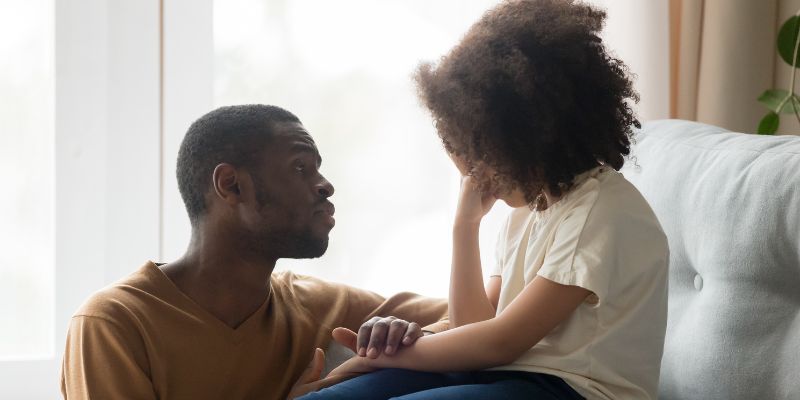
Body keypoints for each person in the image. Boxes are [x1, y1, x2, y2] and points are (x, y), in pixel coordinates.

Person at [299, 0, 669, 399]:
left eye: (479, 159)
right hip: (502, 375)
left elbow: (499, 342)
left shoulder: (600, 210)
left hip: (574, 390)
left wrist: (383, 357)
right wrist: (465, 227)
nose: (472, 178)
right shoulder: (531, 210)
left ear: (529, 137)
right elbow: (472, 328)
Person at [59, 104, 448, 400]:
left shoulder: (318, 305)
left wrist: (405, 339)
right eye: (301, 168)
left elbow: (477, 316)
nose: (325, 186)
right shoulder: (114, 323)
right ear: (231, 185)